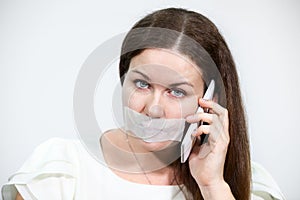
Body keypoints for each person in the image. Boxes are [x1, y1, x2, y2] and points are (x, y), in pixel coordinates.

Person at [1, 8, 285, 200]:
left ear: (209, 101)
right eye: (142, 84)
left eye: (176, 91)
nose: (153, 109)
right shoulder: (61, 169)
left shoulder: (248, 185)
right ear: (122, 80)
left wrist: (212, 185)